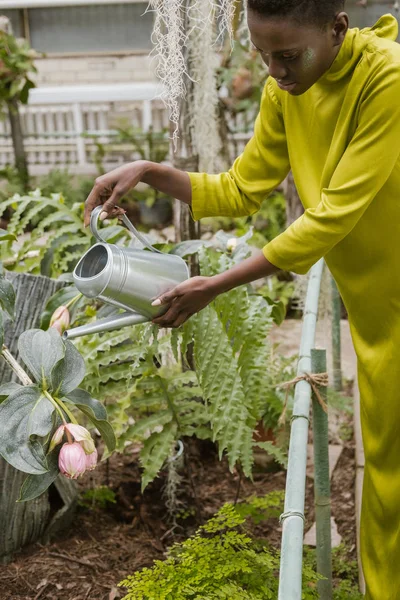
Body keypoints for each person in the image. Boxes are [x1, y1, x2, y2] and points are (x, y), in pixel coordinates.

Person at [84, 1, 400, 596]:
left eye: (288, 55)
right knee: (385, 481)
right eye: (264, 56)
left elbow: (331, 216)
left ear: (338, 27)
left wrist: (218, 285)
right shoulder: (287, 91)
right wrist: (152, 170)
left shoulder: (387, 78)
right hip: (378, 310)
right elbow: (238, 188)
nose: (276, 72)